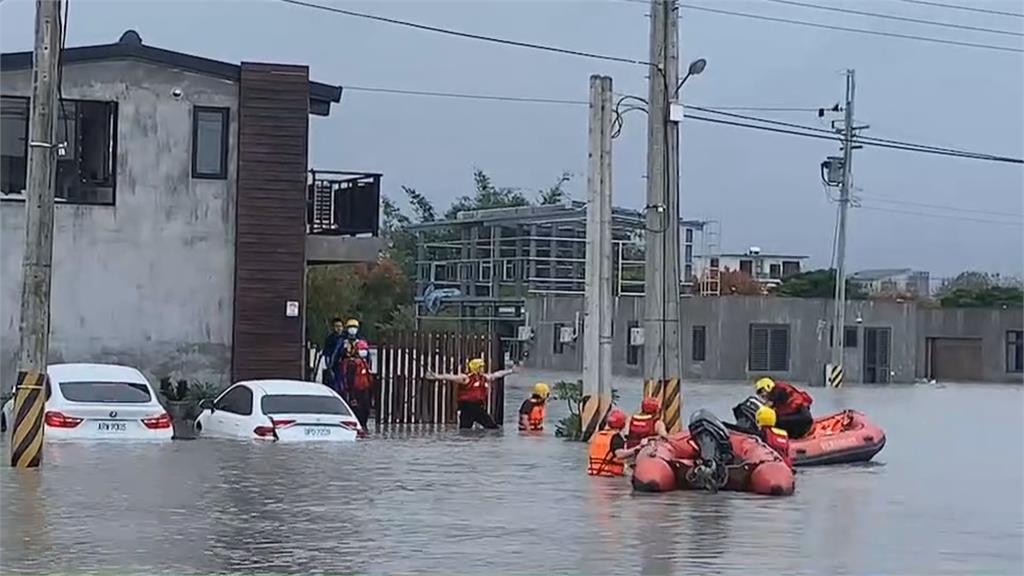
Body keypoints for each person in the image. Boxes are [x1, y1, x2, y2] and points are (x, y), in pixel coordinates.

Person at [426, 358, 517, 430]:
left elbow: (497, 375)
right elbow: (451, 377)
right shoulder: (466, 378)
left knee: (492, 427)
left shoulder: (484, 377)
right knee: (465, 429)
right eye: (481, 367)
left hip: (478, 407)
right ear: (476, 367)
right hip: (467, 408)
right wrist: (436, 376)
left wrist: (510, 371)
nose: (482, 368)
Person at [587, 409, 646, 477]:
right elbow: (620, 455)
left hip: (593, 475)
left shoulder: (597, 435)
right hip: (610, 476)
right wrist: (636, 449)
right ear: (622, 424)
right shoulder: (616, 438)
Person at [341, 340, 374, 430]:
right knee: (358, 411)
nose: (364, 351)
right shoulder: (353, 363)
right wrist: (352, 396)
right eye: (361, 349)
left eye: (365, 350)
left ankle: (364, 426)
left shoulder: (365, 363)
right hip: (356, 391)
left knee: (366, 410)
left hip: (364, 390)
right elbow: (350, 380)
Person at [321, 318, 346, 391]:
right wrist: (329, 366)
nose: (339, 328)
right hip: (334, 365)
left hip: (344, 365)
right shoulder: (330, 339)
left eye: (340, 326)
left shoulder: (346, 337)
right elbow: (327, 354)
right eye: (337, 326)